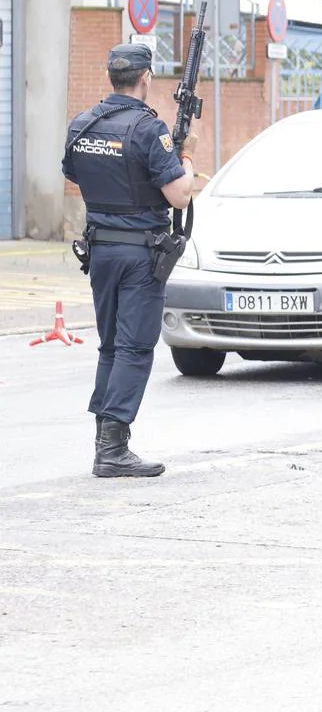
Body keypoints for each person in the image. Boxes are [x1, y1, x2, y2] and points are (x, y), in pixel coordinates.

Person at [61, 43, 198, 478]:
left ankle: (104, 438)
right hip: (140, 253)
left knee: (111, 347)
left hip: (101, 250)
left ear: (110, 77)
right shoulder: (146, 129)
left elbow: (73, 173)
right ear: (146, 78)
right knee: (135, 348)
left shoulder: (82, 125)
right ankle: (113, 449)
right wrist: (187, 154)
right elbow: (179, 193)